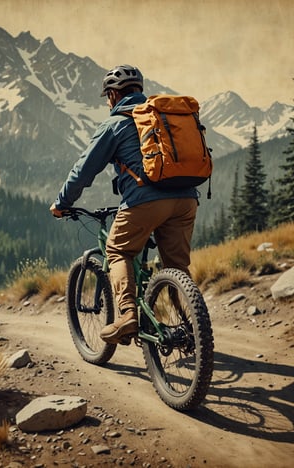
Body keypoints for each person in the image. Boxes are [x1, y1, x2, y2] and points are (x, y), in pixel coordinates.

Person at [50, 65, 200, 344]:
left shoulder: (115, 123)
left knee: (118, 250)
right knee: (177, 267)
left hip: (144, 201)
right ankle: (194, 328)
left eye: (108, 95)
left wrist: (62, 203)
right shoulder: (162, 117)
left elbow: (84, 170)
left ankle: (128, 315)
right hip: (186, 198)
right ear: (139, 91)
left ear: (113, 95)